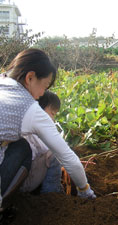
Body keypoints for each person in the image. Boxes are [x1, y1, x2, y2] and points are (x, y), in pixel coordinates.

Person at [0, 49, 96, 211]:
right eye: (44, 86)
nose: (42, 94)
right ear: (30, 78)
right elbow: (67, 157)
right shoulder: (28, 109)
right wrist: (85, 191)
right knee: (24, 148)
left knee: (20, 145)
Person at [20, 90, 63, 194]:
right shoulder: (38, 127)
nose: (53, 119)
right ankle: (51, 195)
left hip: (8, 180)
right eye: (52, 114)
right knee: (55, 154)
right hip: (22, 183)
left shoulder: (20, 119)